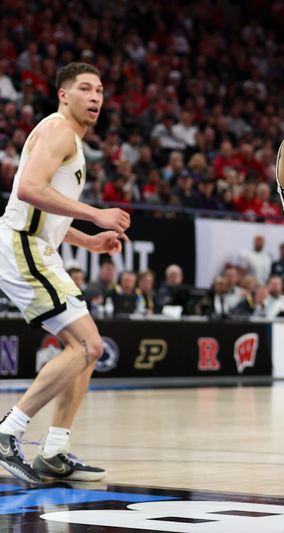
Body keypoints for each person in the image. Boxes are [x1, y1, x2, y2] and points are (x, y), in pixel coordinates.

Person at [0, 62, 130, 483]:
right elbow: (28, 190)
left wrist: (88, 241)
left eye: (100, 91)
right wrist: (96, 216)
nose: (96, 98)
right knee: (87, 344)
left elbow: (46, 209)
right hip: (23, 245)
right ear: (63, 94)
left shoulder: (70, 137)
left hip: (40, 247)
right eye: (86, 89)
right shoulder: (59, 130)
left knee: (88, 349)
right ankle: (8, 433)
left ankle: (54, 450)